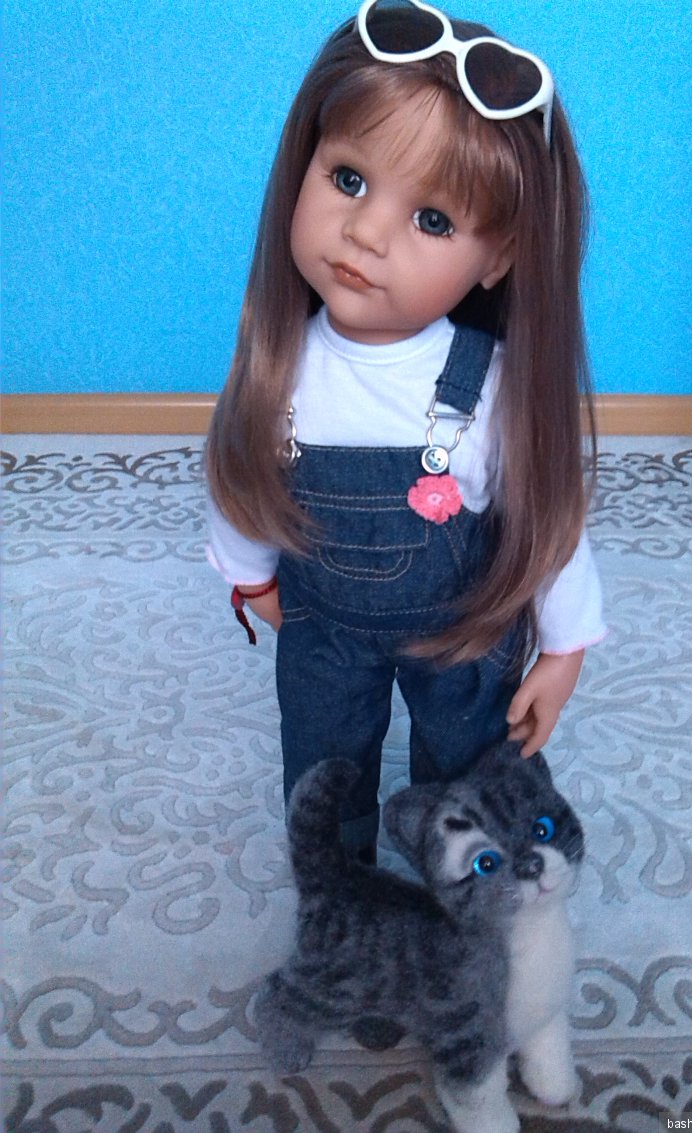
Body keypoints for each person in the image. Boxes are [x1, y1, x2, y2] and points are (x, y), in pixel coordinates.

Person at [205, 0, 606, 857]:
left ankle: (469, 875)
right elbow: (240, 479)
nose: (366, 232)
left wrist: (563, 646)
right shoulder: (279, 365)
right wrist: (251, 576)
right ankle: (337, 877)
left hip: (462, 627)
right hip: (323, 630)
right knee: (322, 765)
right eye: (348, 179)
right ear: (305, 161)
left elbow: (549, 522)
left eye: (433, 220)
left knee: (473, 760)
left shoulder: (490, 384)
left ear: (498, 257)